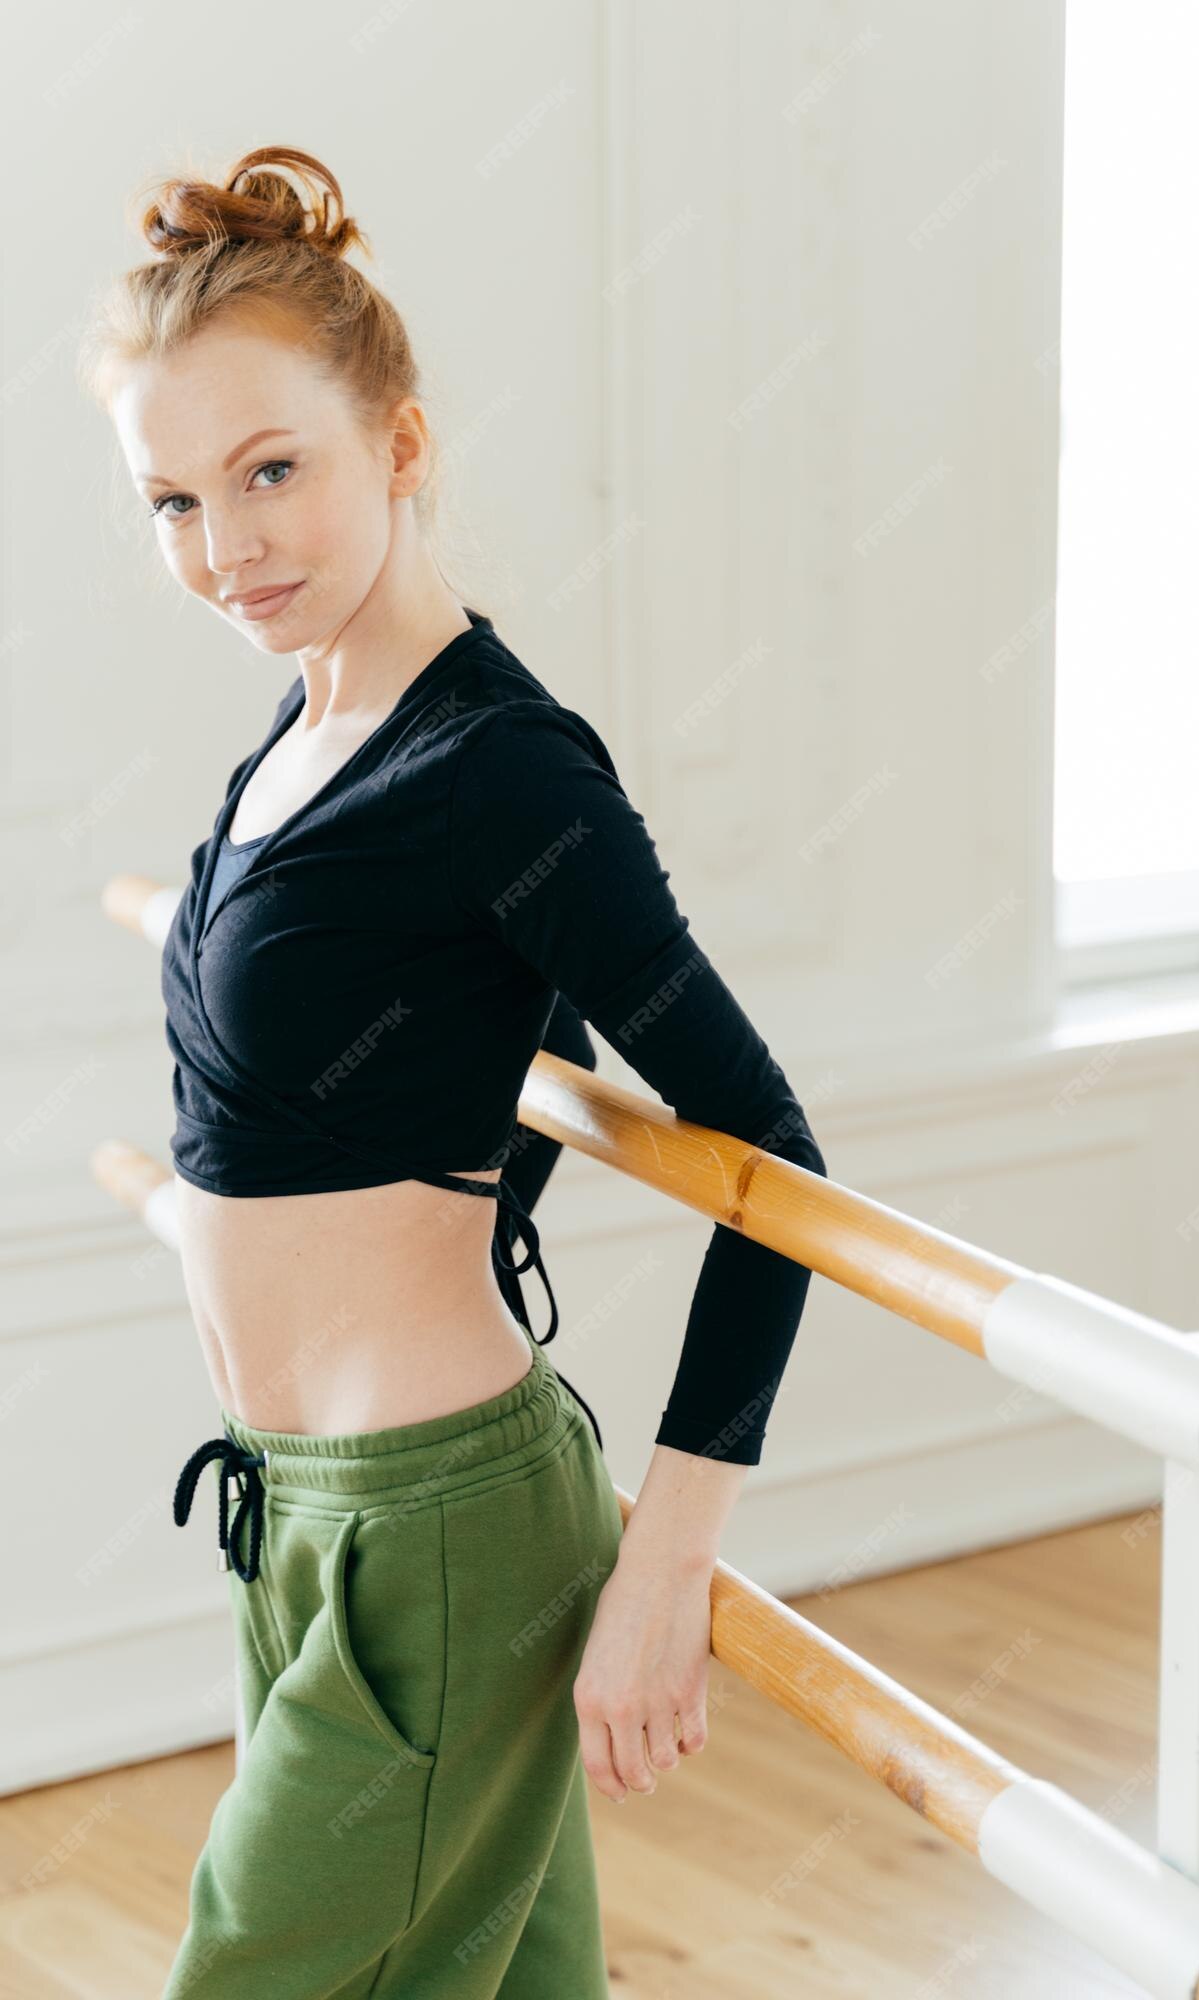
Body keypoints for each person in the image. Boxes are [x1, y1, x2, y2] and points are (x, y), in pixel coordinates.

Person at [79, 144, 827, 1999]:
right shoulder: (300, 727)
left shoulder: (503, 767)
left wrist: (658, 1573)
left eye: (273, 470)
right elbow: (423, 1052)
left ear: (398, 447)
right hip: (297, 1512)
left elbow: (774, 1156)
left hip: (440, 1530)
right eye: (172, 499)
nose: (225, 545)